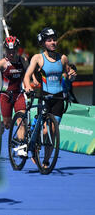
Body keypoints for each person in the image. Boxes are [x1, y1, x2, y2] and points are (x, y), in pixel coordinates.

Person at [24, 27, 77, 166]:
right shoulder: (38, 58)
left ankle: (46, 160)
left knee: (53, 130)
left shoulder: (63, 58)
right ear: (43, 43)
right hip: (45, 97)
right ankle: (34, 146)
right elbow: (27, 76)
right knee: (46, 130)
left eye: (54, 39)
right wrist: (28, 86)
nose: (53, 42)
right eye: (49, 40)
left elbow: (69, 75)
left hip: (59, 98)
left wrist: (72, 76)